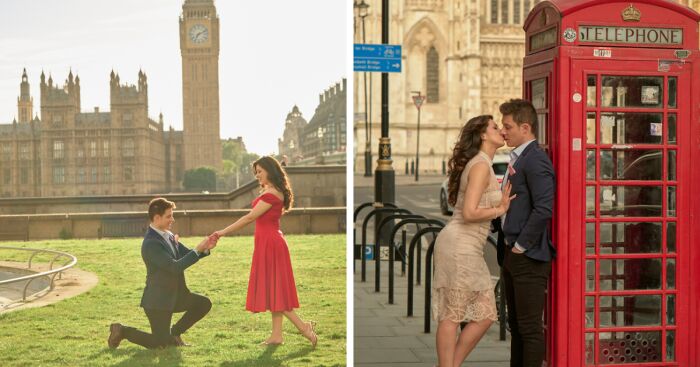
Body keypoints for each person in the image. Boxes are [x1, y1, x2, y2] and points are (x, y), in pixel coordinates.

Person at [432, 115, 515, 367]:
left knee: (486, 313)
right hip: (460, 245)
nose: (500, 130)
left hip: (468, 245)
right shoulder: (480, 166)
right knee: (452, 315)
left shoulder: (483, 164)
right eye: (494, 127)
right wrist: (500, 209)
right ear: (482, 135)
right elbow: (469, 213)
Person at [214, 156, 318, 347]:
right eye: (256, 172)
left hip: (271, 244)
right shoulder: (272, 190)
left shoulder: (272, 194)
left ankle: (304, 328)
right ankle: (277, 336)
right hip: (268, 243)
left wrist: (222, 232)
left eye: (260, 171)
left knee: (276, 292)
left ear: (270, 171)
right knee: (274, 290)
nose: (257, 175)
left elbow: (250, 217)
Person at [108, 197, 219, 349]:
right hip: (158, 302)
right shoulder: (151, 243)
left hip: (176, 296)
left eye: (172, 215)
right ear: (156, 218)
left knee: (203, 304)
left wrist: (206, 248)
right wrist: (197, 250)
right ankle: (122, 331)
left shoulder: (168, 236)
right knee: (159, 344)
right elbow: (175, 267)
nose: (172, 219)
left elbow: (186, 255)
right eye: (169, 216)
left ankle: (175, 333)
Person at [494, 99, 555, 367]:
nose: (503, 132)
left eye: (508, 127)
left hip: (528, 257)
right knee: (516, 326)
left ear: (525, 127)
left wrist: (520, 245)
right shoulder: (520, 156)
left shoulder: (535, 160)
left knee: (529, 329)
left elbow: (544, 208)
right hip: (510, 253)